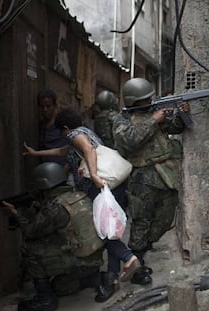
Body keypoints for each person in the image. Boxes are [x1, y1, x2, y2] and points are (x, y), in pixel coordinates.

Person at [23, 109, 140, 300]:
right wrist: (37, 153)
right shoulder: (85, 131)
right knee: (109, 229)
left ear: (66, 128)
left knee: (101, 230)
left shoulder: (75, 134)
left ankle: (128, 257)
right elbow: (63, 151)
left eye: (61, 131)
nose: (63, 135)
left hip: (98, 187)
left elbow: (88, 150)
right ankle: (113, 276)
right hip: (113, 185)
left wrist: (93, 175)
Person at [112, 78, 189, 285]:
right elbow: (129, 140)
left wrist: (181, 113)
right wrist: (154, 119)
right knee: (141, 222)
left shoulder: (153, 114)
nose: (149, 101)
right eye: (144, 99)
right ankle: (137, 267)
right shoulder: (121, 120)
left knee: (164, 219)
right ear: (132, 101)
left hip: (166, 176)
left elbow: (174, 129)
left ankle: (142, 251)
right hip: (141, 179)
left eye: (149, 98)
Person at [2, 162, 106, 311]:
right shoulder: (79, 195)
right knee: (59, 287)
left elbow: (31, 231)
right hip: (94, 257)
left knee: (30, 248)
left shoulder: (55, 207)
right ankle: (95, 279)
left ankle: (45, 300)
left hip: (78, 259)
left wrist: (16, 215)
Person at [37, 90, 68, 166]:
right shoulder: (40, 125)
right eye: (42, 106)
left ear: (55, 105)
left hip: (61, 169)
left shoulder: (62, 124)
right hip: (45, 169)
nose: (45, 110)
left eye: (48, 106)